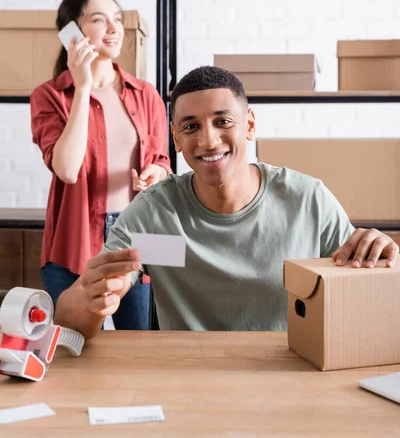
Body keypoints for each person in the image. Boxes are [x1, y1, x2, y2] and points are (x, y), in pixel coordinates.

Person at [54, 66, 399, 339]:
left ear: (249, 124)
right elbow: (71, 321)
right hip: (187, 380)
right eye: (190, 127)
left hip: (289, 375)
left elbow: (366, 296)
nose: (208, 140)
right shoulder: (156, 212)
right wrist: (91, 299)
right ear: (175, 138)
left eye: (223, 122)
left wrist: (380, 254)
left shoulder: (306, 201)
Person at [30, 0, 171, 330]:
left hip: (140, 236)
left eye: (118, 20)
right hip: (73, 238)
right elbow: (66, 168)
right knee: (71, 347)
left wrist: (156, 172)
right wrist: (82, 87)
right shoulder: (49, 96)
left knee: (138, 349)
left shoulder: (146, 94)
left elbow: (164, 162)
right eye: (99, 19)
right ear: (72, 33)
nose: (114, 28)